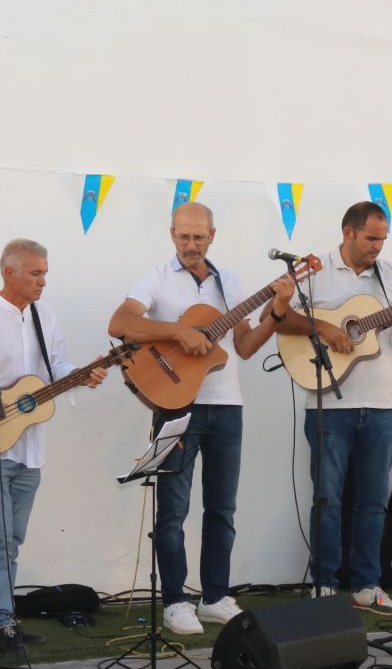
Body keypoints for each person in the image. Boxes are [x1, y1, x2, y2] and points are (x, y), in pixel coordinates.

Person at [108, 202, 292, 636]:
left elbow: (244, 346)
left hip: (227, 406)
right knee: (173, 510)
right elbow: (120, 323)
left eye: (199, 236)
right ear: (172, 233)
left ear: (213, 236)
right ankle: (175, 601)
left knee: (222, 508)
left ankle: (214, 597)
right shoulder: (156, 278)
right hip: (177, 404)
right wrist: (178, 331)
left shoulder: (230, 282)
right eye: (184, 236)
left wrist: (278, 311)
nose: (191, 244)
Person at [274, 201, 392, 615]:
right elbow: (281, 320)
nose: (378, 246)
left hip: (381, 404)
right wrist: (325, 327)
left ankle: (366, 585)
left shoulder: (390, 274)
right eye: (372, 238)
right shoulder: (315, 271)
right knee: (327, 500)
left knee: (373, 502)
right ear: (348, 233)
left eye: (382, 239)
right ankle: (323, 584)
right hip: (328, 403)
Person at [0, 239, 108, 655]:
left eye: (45, 273)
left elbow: (55, 366)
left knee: (12, 539)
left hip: (30, 448)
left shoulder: (45, 315)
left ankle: (3, 619)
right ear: (9, 273)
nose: (43, 281)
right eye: (35, 273)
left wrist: (81, 374)